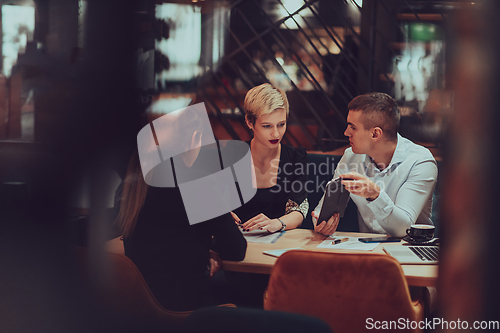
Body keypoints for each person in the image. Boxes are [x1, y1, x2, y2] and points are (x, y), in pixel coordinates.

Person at [116, 102, 247, 312]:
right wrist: (210, 246)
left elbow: (166, 238)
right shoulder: (199, 187)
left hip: (140, 315)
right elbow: (237, 249)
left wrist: (203, 249)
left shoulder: (131, 186)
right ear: (195, 138)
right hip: (188, 316)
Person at [312, 92, 438, 237]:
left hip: (410, 249)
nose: (346, 132)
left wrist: (375, 195)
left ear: (375, 134)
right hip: (366, 247)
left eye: (353, 127)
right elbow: (322, 209)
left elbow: (404, 228)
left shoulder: (420, 162)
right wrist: (321, 222)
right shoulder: (351, 156)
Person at [231, 83, 309, 232]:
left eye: (281, 124)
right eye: (267, 126)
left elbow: (299, 210)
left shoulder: (295, 157)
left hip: (279, 242)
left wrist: (277, 223)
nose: (276, 134)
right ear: (249, 122)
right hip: (236, 242)